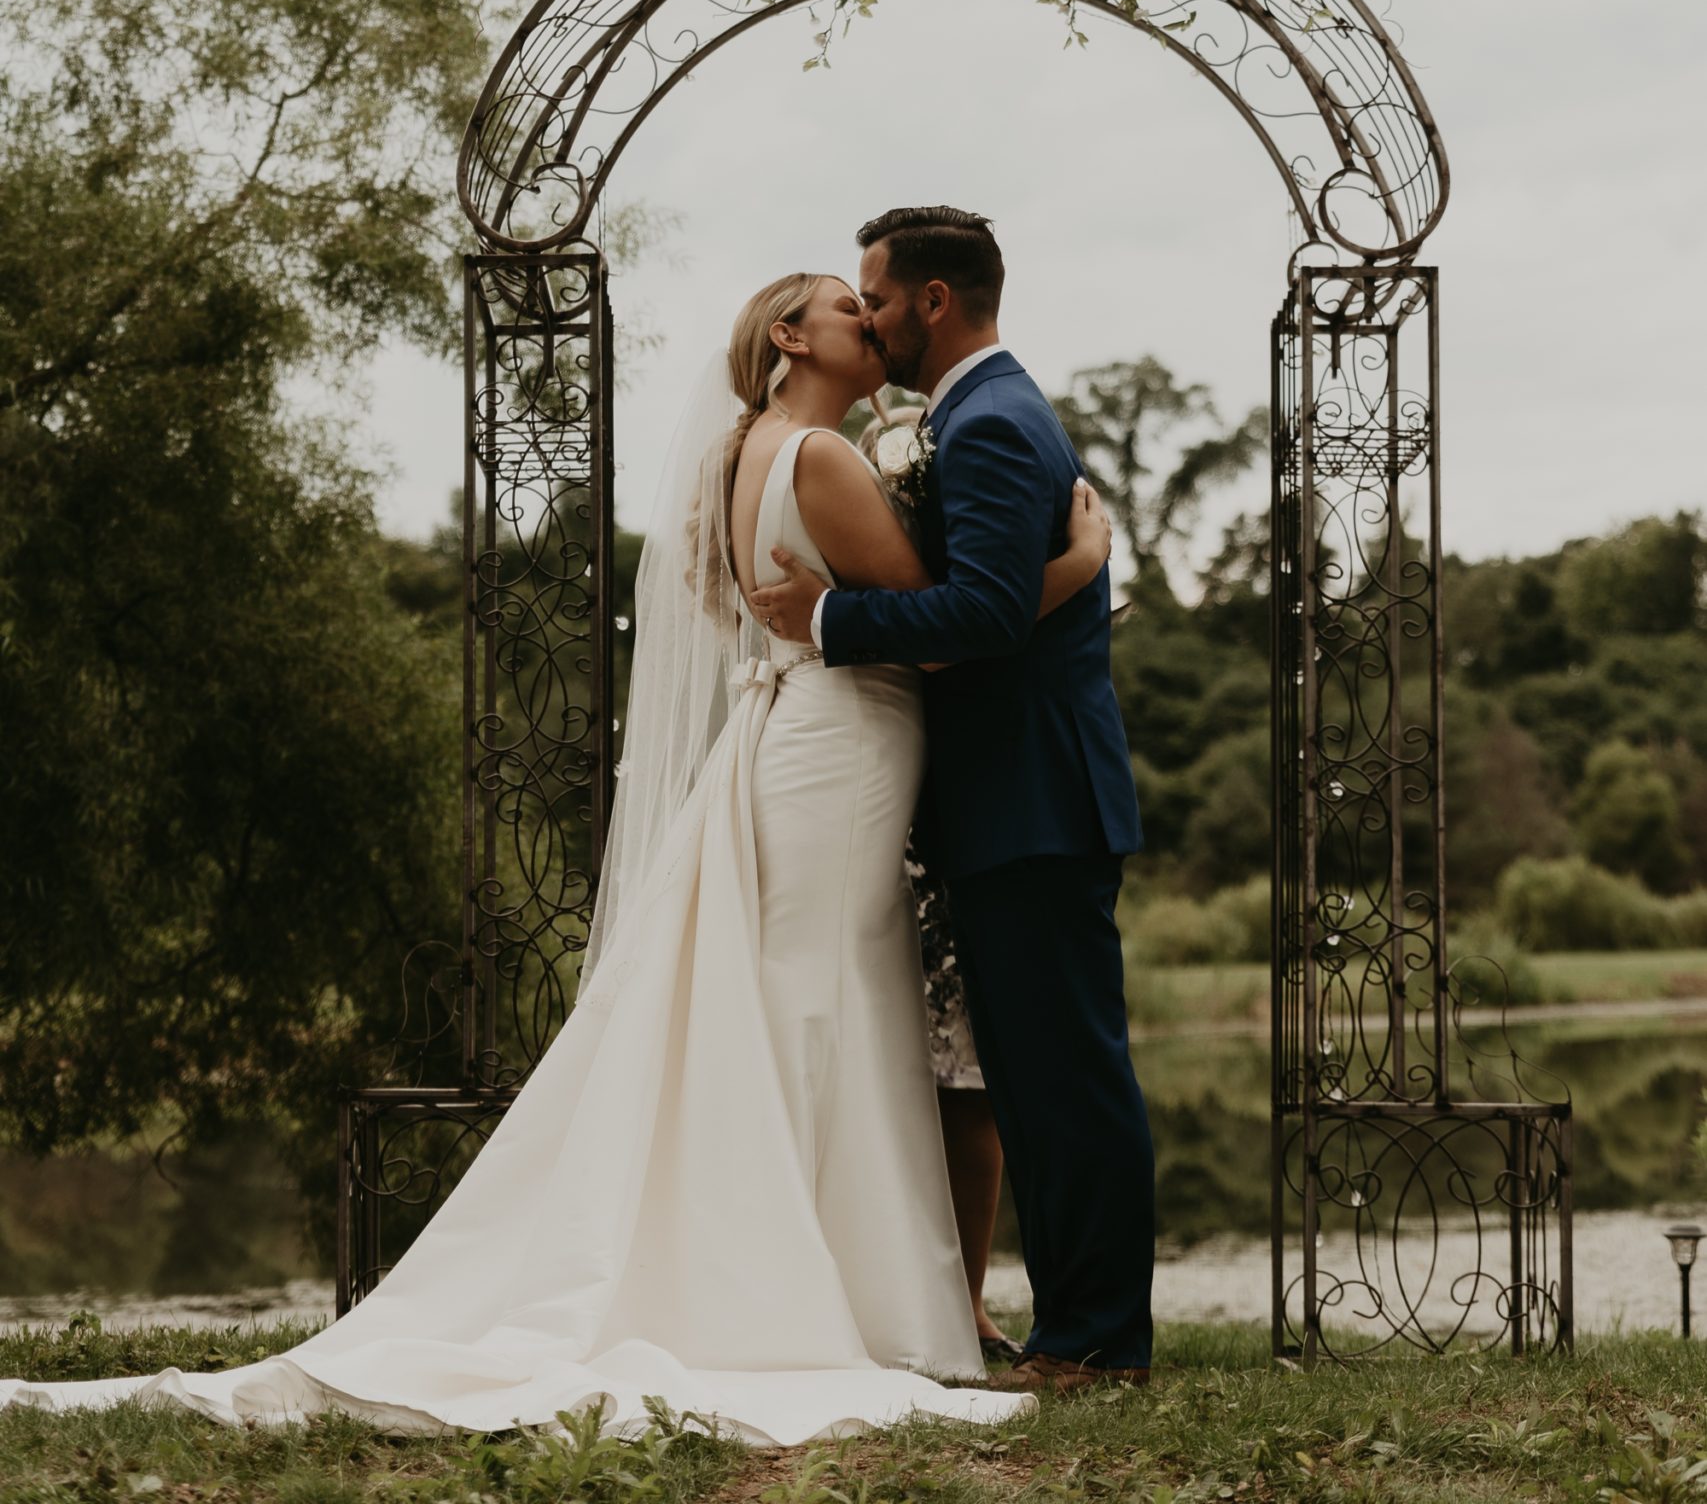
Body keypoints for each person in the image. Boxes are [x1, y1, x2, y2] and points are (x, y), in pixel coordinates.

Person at [2, 270, 1110, 1447]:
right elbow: (948, 627)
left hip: (801, 739)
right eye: (849, 307)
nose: (871, 323)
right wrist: (1076, 570)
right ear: (789, 333)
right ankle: (825, 1290)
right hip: (841, 744)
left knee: (808, 997)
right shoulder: (822, 458)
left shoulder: (752, 450)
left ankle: (825, 1274)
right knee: (826, 1001)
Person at [752, 208, 1155, 1392]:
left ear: (932, 300)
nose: (868, 316)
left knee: (1069, 1078)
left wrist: (831, 619)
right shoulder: (970, 415)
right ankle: (1071, 1331)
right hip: (1008, 802)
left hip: (1034, 799)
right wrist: (1079, 570)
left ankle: (1098, 1340)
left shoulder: (987, 423)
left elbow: (979, 613)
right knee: (1034, 1079)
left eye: (875, 294)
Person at [857, 402, 1016, 1363]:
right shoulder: (822, 477)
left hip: (950, 788)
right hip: (865, 779)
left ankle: (967, 1299)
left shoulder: (975, 461)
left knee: (967, 1071)